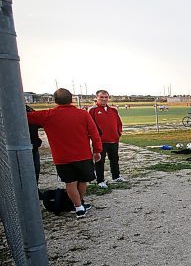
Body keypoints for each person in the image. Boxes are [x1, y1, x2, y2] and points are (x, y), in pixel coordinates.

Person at [27, 88, 102, 219]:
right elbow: (94, 134)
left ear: (55, 100)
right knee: (83, 181)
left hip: (62, 157)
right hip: (83, 155)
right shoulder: (83, 114)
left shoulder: (48, 115)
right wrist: (97, 150)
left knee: (70, 183)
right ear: (71, 99)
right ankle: (79, 204)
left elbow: (28, 117)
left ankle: (78, 206)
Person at [89, 90, 125, 189]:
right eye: (101, 97)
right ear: (96, 97)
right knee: (100, 161)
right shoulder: (92, 110)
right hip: (100, 141)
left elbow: (119, 123)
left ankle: (116, 176)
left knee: (114, 159)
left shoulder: (113, 110)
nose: (104, 99)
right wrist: (95, 138)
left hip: (114, 140)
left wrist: (118, 133)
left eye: (106, 97)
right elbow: (89, 126)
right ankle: (100, 180)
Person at [26, 105, 42, 184]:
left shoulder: (28, 109)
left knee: (35, 170)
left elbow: (39, 120)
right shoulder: (7, 110)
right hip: (21, 148)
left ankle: (34, 191)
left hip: (33, 146)